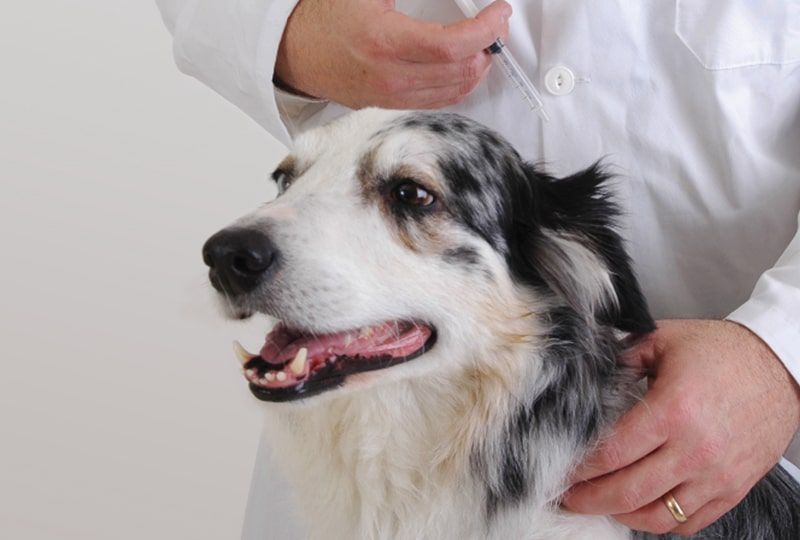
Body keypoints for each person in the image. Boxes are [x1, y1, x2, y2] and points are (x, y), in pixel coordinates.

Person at [155, 0, 800, 537]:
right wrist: (285, 27)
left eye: (409, 195)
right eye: (287, 180)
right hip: (353, 458)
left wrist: (781, 348)